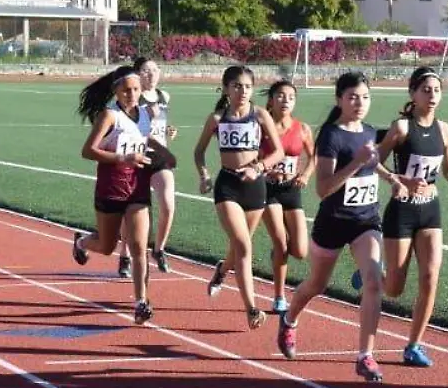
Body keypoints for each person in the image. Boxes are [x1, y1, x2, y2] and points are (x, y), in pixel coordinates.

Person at [275, 71, 421, 383]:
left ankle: (365, 355)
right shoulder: (331, 135)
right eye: (353, 97)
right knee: (316, 285)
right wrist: (354, 163)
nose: (360, 103)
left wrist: (394, 178)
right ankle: (289, 319)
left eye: (365, 97)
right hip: (332, 223)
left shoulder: (368, 130)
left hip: (366, 220)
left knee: (372, 281)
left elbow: (373, 162)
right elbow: (323, 188)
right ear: (339, 99)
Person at [362, 67, 448, 366]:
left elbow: (447, 173)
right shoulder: (401, 128)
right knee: (395, 289)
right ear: (412, 93)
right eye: (426, 89)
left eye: (437, 90)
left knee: (430, 277)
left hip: (430, 210)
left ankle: (413, 344)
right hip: (402, 210)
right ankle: (370, 275)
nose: (432, 95)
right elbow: (373, 162)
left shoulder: (446, 130)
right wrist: (398, 180)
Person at [70, 66, 165, 325]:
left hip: (137, 188)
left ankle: (141, 302)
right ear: (116, 91)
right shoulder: (109, 116)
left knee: (138, 247)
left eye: (135, 89)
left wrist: (164, 142)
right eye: (126, 90)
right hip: (111, 188)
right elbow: (88, 151)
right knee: (107, 246)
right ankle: (81, 243)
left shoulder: (146, 114)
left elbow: (145, 141)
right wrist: (123, 157)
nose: (131, 94)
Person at [193, 65, 283, 330]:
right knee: (243, 245)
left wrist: (259, 167)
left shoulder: (261, 115)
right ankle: (251, 309)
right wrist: (204, 175)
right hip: (228, 185)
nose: (242, 91)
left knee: (239, 246)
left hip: (254, 186)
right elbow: (199, 152)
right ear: (226, 89)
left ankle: (222, 270)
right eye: (237, 86)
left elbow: (277, 152)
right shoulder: (217, 118)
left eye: (247, 86)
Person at [260, 80, 314, 315]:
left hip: (291, 189)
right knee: (282, 244)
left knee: (300, 251)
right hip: (267, 189)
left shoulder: (302, 129)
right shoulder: (261, 126)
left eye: (290, 97)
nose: (285, 101)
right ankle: (279, 297)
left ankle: (277, 254)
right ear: (271, 100)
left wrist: (305, 175)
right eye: (280, 96)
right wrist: (264, 168)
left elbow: (314, 157)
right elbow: (248, 155)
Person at [126, 56, 179, 277]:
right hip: (137, 155)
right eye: (147, 70)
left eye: (155, 70)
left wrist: (169, 131)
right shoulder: (132, 96)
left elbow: (160, 125)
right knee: (131, 210)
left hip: (159, 157)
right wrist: (147, 114)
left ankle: (159, 249)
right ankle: (124, 255)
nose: (152, 74)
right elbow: (129, 126)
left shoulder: (164, 96)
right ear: (138, 73)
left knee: (168, 204)